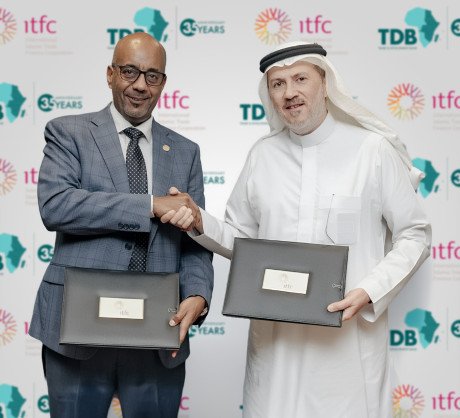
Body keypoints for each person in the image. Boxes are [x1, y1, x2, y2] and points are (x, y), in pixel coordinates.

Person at [161, 41, 431, 417]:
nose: (289, 93)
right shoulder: (263, 155)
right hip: (277, 345)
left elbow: (414, 233)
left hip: (347, 345)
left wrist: (371, 290)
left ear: (325, 83)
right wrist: (199, 220)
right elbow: (243, 240)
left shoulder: (372, 151)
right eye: (278, 84)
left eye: (300, 79)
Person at [29, 32, 213, 418]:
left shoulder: (186, 152)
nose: (140, 85)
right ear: (110, 74)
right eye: (130, 71)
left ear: (163, 83)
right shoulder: (68, 132)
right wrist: (151, 205)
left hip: (158, 332)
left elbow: (195, 242)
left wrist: (198, 294)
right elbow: (56, 206)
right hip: (77, 329)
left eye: (152, 76)